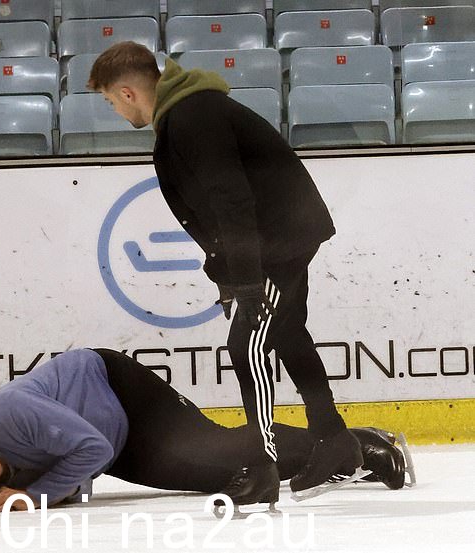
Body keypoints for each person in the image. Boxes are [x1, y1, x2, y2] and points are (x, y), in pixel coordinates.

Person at [87, 41, 365, 507]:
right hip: (281, 238)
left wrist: (247, 279)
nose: (114, 110)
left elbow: (231, 199)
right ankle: (334, 439)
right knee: (288, 333)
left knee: (246, 346)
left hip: (278, 242)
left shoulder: (194, 117)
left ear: (128, 92)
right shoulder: (186, 115)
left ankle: (262, 466)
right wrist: (229, 274)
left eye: (111, 100)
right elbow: (214, 208)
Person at [0, 349, 406, 512]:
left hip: (114, 387)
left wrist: (41, 494)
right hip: (111, 438)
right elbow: (81, 470)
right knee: (216, 473)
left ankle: (358, 443)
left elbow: (87, 449)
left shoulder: (9, 413)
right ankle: (333, 456)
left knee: (216, 447)